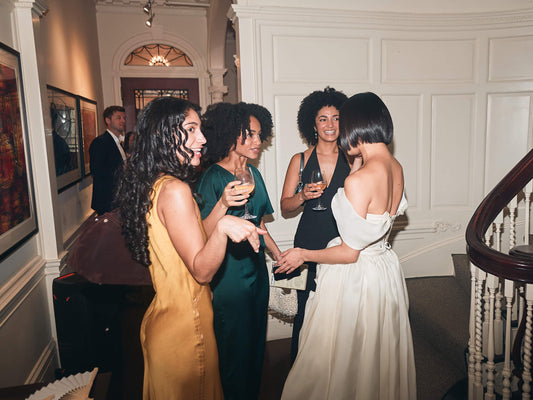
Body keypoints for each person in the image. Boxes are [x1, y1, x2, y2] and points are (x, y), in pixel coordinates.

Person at [115, 97, 265, 399]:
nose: (203, 139)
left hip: (166, 318)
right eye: (191, 129)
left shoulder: (158, 183)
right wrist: (224, 228)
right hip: (188, 326)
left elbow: (194, 240)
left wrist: (222, 205)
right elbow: (202, 270)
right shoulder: (176, 190)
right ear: (165, 134)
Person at [276, 92, 417, 399]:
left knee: (336, 356)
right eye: (324, 119)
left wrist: (302, 255)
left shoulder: (358, 179)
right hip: (384, 270)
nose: (336, 128)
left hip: (353, 274)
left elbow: (350, 252)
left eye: (341, 120)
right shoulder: (396, 167)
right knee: (373, 351)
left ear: (355, 125)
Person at [196, 102, 282, 400]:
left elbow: (259, 223)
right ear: (231, 133)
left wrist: (278, 255)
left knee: (255, 344)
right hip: (229, 275)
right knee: (233, 347)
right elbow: (204, 233)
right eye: (250, 134)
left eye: (260, 135)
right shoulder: (213, 177)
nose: (258, 141)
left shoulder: (253, 174)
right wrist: (223, 203)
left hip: (256, 270)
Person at [279, 87, 349, 364]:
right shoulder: (300, 160)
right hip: (308, 240)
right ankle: (303, 369)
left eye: (336, 118)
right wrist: (302, 196)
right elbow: (285, 207)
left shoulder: (354, 158)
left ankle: (336, 370)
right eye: (323, 118)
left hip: (342, 242)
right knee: (307, 308)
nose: (330, 124)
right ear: (313, 124)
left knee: (340, 309)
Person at [89, 105, 127, 215]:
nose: (123, 121)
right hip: (108, 201)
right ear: (108, 120)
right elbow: (97, 172)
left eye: (124, 118)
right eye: (118, 118)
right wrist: (123, 167)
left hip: (119, 199)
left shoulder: (119, 142)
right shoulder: (100, 142)